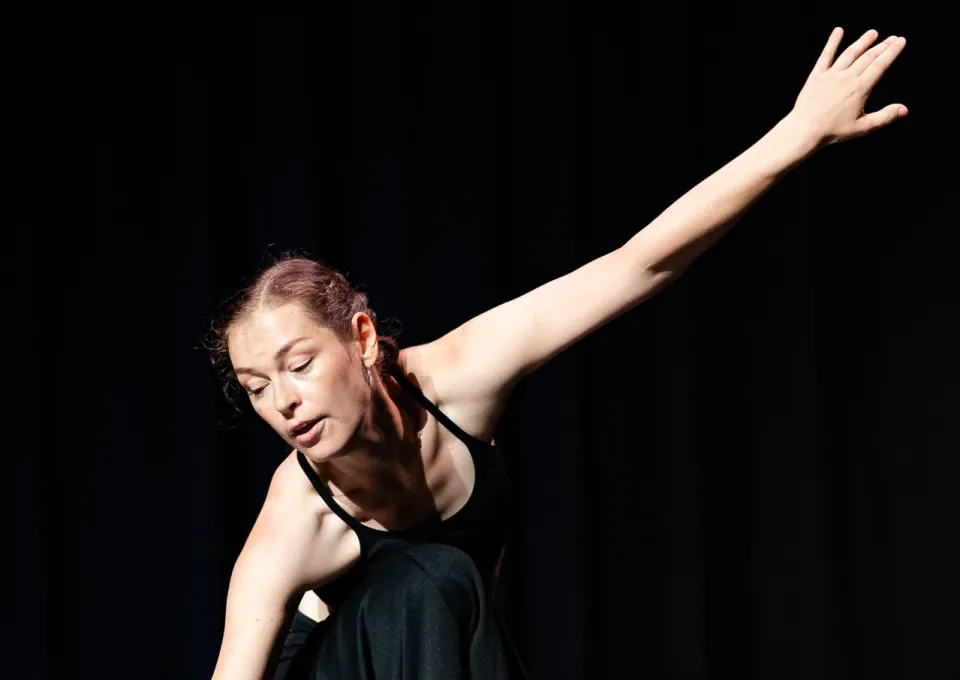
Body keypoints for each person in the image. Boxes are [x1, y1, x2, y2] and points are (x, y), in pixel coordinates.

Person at [207, 27, 907, 680]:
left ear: (362, 339)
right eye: (257, 386)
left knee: (444, 581)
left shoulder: (454, 378)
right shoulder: (296, 520)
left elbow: (640, 264)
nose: (283, 400)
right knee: (427, 580)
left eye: (297, 365)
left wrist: (796, 135)